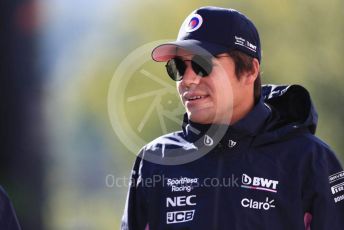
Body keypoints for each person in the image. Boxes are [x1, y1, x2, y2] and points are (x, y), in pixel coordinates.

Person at [121, 6, 344, 230]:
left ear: (250, 70)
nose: (186, 80)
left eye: (201, 64)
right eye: (178, 67)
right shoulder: (155, 160)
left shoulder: (311, 160)